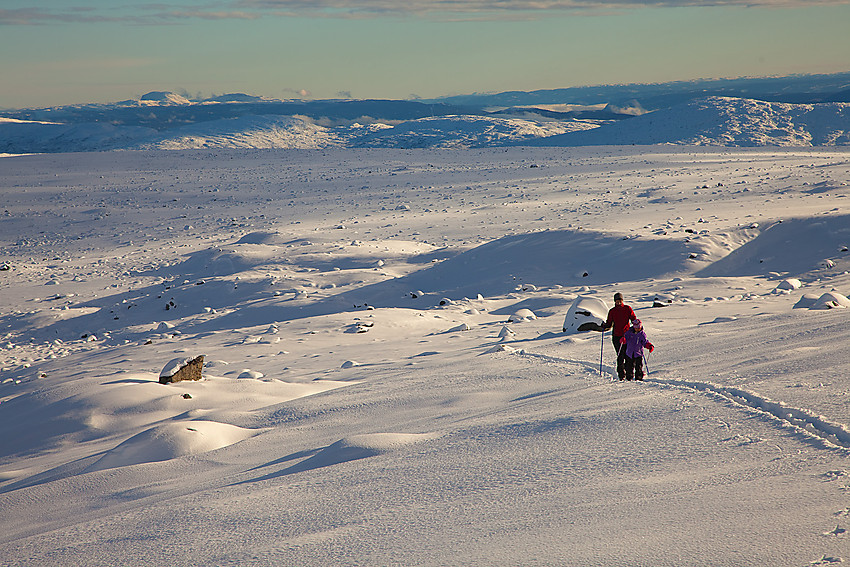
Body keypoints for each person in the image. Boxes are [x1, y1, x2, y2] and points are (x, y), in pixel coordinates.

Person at [603, 292, 636, 380]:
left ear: (622, 300)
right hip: (617, 336)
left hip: (627, 336)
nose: (618, 302)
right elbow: (609, 323)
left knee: (628, 355)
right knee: (620, 355)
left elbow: (633, 319)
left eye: (620, 300)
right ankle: (621, 375)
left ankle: (629, 374)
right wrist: (604, 325)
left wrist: (637, 326)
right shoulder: (612, 311)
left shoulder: (627, 308)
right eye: (617, 301)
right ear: (614, 301)